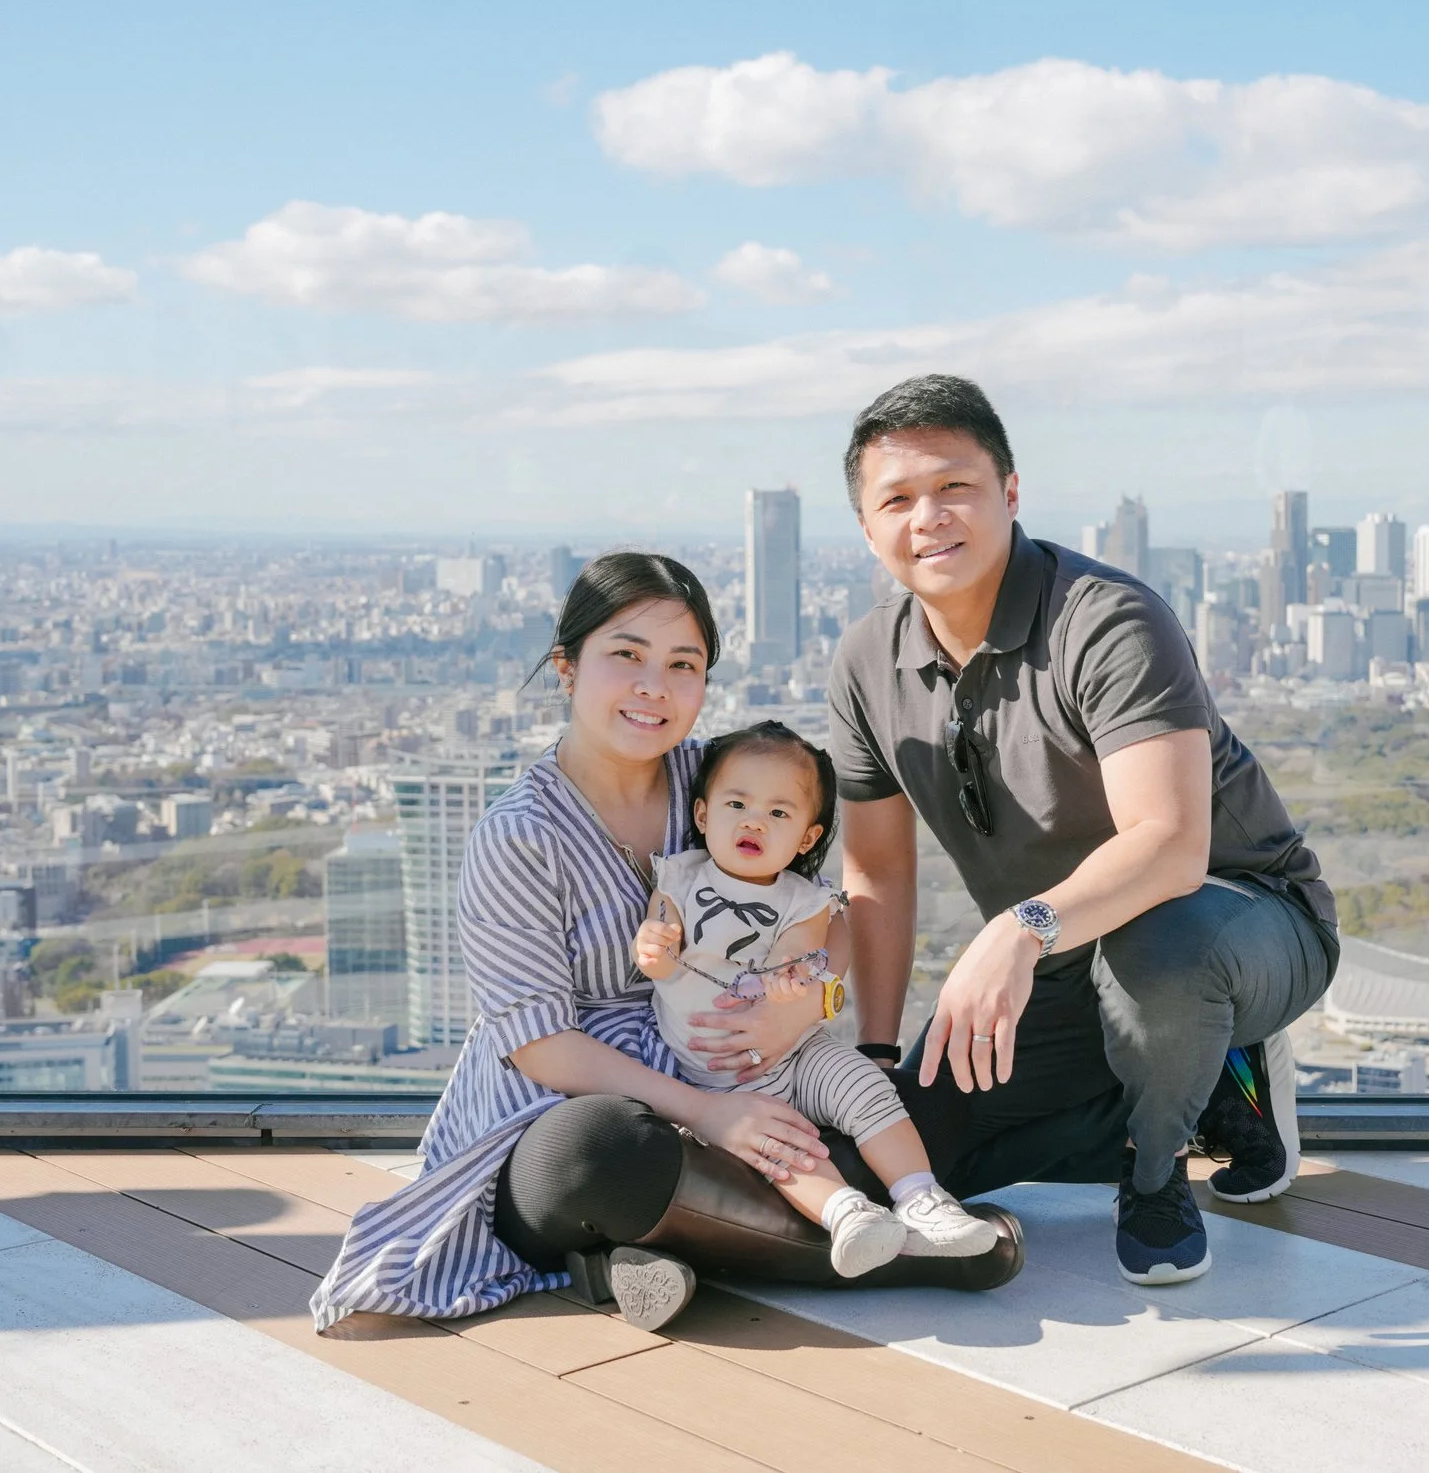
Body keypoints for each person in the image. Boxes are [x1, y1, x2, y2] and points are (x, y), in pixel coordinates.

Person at [312, 552, 1020, 1338]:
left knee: (907, 1092)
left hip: (739, 1063)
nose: (655, 685)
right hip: (577, 1104)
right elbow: (543, 1048)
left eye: (683, 664)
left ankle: (657, 1250)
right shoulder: (518, 837)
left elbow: (829, 918)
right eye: (626, 655)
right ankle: (924, 1252)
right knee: (602, 1152)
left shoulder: (723, 783)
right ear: (566, 666)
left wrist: (802, 1007)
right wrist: (710, 1114)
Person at [829, 374, 1339, 1285]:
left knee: (1161, 949)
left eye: (956, 488)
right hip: (1069, 956)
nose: (929, 517)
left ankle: (1154, 1177)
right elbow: (875, 870)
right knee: (907, 1162)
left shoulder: (1106, 619)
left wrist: (1017, 929)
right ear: (868, 528)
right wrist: (872, 1062)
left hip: (1241, 919)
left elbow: (1170, 843)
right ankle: (1211, 1087)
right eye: (897, 499)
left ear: (1011, 494)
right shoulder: (868, 660)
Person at [634, 721, 996, 1277]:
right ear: (704, 816)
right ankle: (847, 1214)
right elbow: (658, 959)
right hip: (719, 1076)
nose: (755, 820)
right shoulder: (680, 878)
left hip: (801, 1052)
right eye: (737, 804)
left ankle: (922, 1197)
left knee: (867, 1090)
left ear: (806, 838)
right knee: (781, 1149)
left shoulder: (805, 899)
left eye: (780, 813)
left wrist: (789, 983)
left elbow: (803, 960)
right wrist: (653, 945)